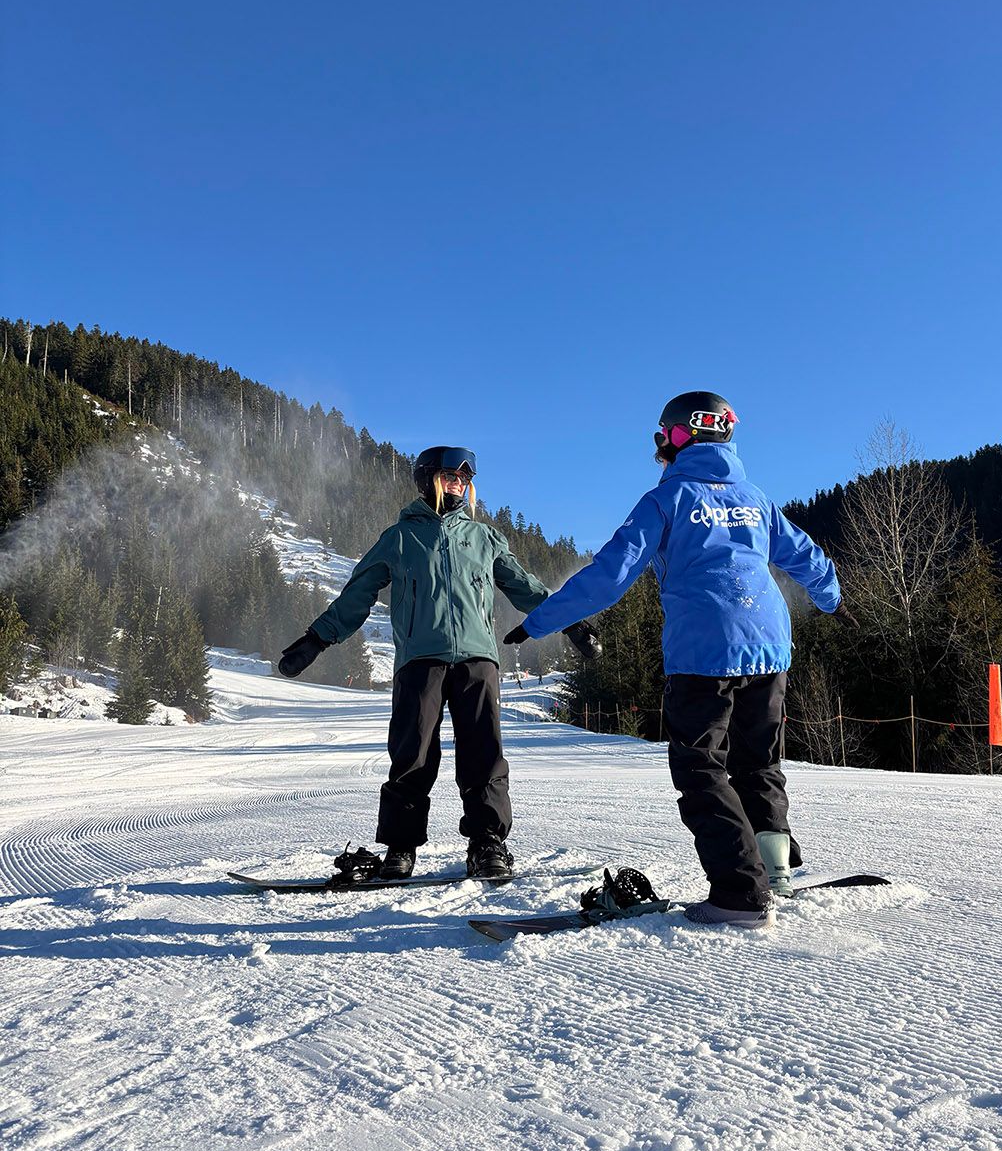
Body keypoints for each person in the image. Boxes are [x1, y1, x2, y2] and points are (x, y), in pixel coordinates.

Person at [504, 392, 855, 929]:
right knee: (759, 763)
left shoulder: (667, 499)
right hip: (768, 646)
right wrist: (833, 600)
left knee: (701, 767)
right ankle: (774, 871)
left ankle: (740, 894)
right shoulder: (755, 499)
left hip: (703, 651)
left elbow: (610, 574)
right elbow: (804, 555)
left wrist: (539, 622)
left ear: (675, 437)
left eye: (661, 438)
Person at [278, 446, 595, 881]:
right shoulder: (400, 538)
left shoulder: (484, 538)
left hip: (477, 659)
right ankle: (401, 847)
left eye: (464, 480)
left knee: (484, 753)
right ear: (427, 480)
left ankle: (487, 843)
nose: (458, 485)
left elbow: (526, 588)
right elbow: (358, 593)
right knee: (412, 754)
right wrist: (317, 639)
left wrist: (571, 623)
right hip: (419, 659)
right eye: (450, 477)